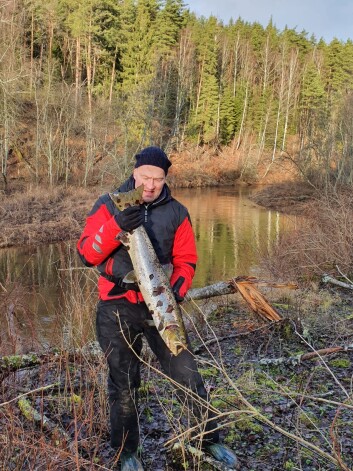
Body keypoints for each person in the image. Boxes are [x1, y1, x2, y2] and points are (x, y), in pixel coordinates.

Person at [77, 146, 238, 470]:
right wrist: (116, 226)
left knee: (187, 373)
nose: (150, 185)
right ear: (135, 173)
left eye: (158, 179)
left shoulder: (176, 212)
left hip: (161, 307)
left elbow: (186, 260)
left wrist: (178, 288)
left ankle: (209, 439)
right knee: (123, 383)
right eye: (145, 177)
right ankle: (127, 453)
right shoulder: (110, 205)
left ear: (166, 178)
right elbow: (86, 253)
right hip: (116, 306)